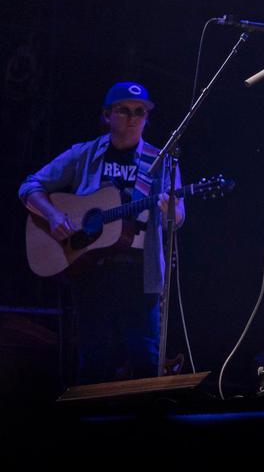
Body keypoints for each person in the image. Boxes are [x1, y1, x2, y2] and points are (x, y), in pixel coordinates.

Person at [19, 81, 185, 383]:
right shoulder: (84, 154)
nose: (133, 118)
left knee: (146, 356)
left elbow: (179, 216)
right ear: (107, 115)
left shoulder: (161, 162)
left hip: (139, 271)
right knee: (94, 357)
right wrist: (54, 215)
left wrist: (168, 208)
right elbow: (30, 187)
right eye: (124, 110)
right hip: (90, 269)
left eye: (140, 112)